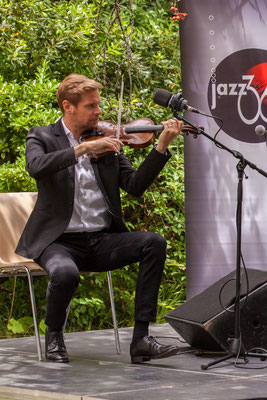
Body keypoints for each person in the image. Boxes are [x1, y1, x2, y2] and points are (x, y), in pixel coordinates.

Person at [15, 73, 184, 364]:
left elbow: (135, 186)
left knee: (153, 243)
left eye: (98, 105)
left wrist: (161, 147)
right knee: (65, 273)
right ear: (68, 106)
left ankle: (141, 339)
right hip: (57, 241)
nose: (99, 112)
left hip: (99, 240)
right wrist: (81, 149)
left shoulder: (107, 140)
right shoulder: (42, 136)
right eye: (91, 106)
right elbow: (36, 166)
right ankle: (54, 337)